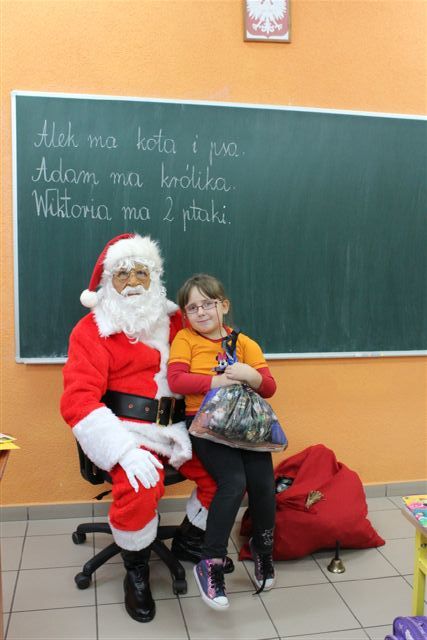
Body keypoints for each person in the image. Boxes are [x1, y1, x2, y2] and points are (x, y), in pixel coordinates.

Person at [60, 234, 231, 624]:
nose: (134, 282)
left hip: (180, 428)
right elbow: (78, 401)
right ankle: (135, 571)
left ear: (155, 278)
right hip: (128, 432)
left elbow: (209, 358)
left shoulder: (176, 322)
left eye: (142, 273)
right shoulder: (91, 330)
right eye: (123, 275)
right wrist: (123, 451)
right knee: (139, 486)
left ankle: (189, 540)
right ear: (109, 282)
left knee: (226, 477)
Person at [167, 273, 277, 611]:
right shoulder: (185, 339)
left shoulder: (244, 343)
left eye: (208, 304)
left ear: (224, 306)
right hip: (205, 424)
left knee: (263, 483)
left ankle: (262, 549)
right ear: (185, 314)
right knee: (233, 481)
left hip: (244, 424)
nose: (200, 312)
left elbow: (269, 387)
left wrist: (251, 375)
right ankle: (210, 562)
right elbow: (176, 381)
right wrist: (217, 382)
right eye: (192, 307)